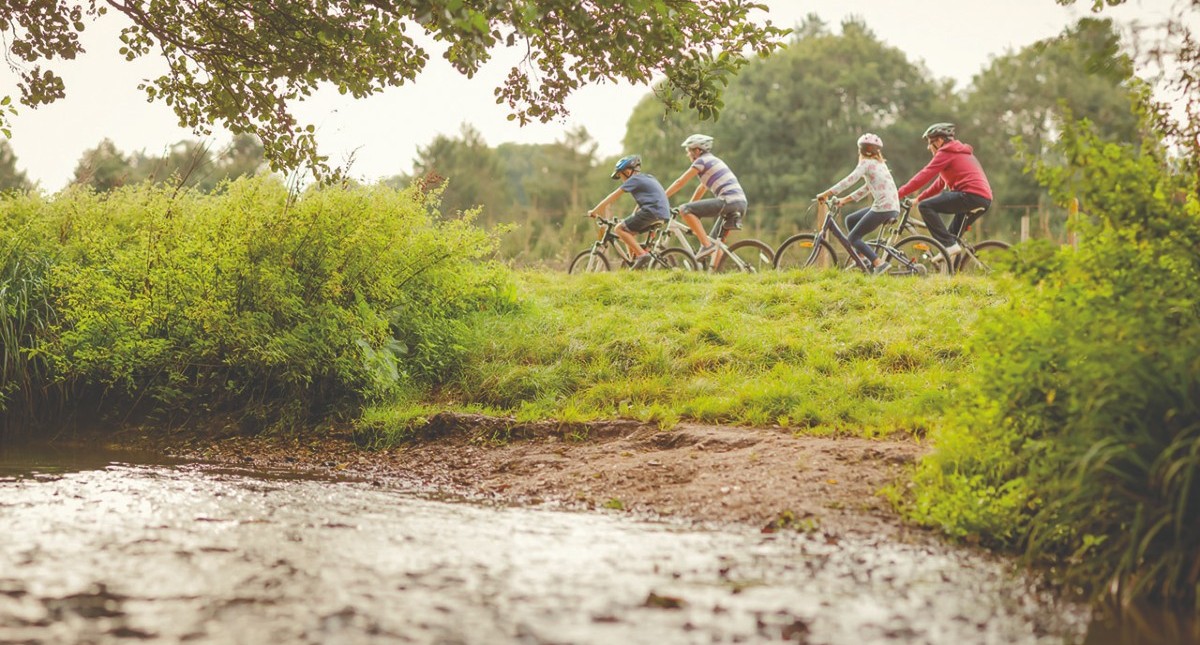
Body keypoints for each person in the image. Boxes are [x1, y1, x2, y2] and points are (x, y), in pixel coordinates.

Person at [896, 123, 993, 258]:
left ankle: (949, 245)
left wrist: (899, 193)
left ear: (940, 140)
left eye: (930, 143)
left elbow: (924, 175)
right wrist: (917, 199)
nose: (928, 147)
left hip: (969, 195)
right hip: (983, 199)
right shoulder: (957, 153)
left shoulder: (946, 152)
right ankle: (952, 266)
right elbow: (939, 184)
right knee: (952, 238)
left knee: (926, 207)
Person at [816, 133, 900, 275]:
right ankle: (862, 259)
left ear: (860, 151)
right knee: (851, 219)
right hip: (891, 207)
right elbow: (866, 188)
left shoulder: (866, 163)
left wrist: (826, 193)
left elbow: (849, 180)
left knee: (853, 238)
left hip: (882, 208)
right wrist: (844, 200)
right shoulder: (879, 164)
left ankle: (878, 263)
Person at [663, 134, 748, 261]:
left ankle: (706, 246)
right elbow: (701, 188)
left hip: (728, 201)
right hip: (740, 203)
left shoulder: (701, 161)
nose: (688, 155)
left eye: (689, 151)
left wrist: (662, 197)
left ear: (697, 151)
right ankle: (719, 272)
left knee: (707, 243)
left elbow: (680, 182)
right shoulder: (712, 160)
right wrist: (690, 207)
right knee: (715, 244)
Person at [588, 154, 671, 270]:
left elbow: (612, 197)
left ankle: (642, 255)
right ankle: (635, 263)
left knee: (618, 229)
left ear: (628, 171)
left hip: (651, 211)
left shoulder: (634, 180)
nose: (621, 179)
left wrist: (595, 211)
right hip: (663, 213)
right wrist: (633, 215)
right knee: (628, 232)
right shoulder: (648, 177)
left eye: (620, 175)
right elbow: (645, 200)